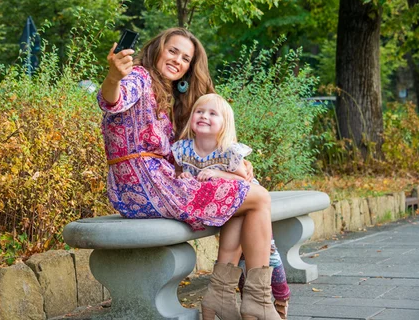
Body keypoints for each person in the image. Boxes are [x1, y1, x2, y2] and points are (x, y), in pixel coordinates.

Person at [97, 27, 281, 320]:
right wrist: (113, 76)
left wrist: (231, 167)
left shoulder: (164, 93)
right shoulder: (139, 78)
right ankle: (256, 300)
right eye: (173, 51)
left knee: (244, 205)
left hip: (152, 187)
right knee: (258, 197)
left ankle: (223, 298)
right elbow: (112, 100)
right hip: (148, 187)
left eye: (185, 58)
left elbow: (192, 150)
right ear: (158, 48)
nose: (177, 61)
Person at [171, 93, 291, 319]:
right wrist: (182, 175)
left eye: (212, 113)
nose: (204, 116)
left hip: (242, 200)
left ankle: (274, 297)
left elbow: (243, 180)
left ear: (224, 125)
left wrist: (217, 173)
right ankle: (237, 301)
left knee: (269, 253)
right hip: (220, 202)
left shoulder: (229, 151)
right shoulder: (183, 149)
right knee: (239, 218)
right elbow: (178, 172)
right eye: (199, 111)